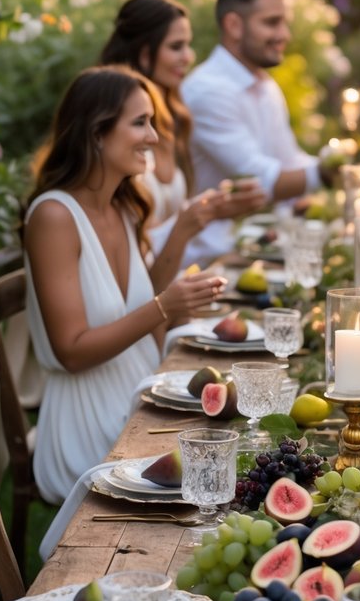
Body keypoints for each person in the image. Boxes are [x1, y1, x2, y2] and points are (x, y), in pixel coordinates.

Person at [23, 66, 226, 504]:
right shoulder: (54, 217)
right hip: (85, 420)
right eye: (140, 122)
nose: (154, 137)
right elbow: (72, 351)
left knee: (237, 443)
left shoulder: (124, 208)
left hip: (140, 392)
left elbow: (137, 306)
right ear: (96, 133)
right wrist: (164, 308)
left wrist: (182, 236)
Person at [100, 0, 267, 261]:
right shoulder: (116, 130)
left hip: (178, 276)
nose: (188, 57)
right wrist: (201, 215)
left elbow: (176, 220)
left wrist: (219, 205)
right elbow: (126, 246)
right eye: (176, 47)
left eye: (188, 45)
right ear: (144, 54)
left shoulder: (174, 118)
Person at [182, 0, 330, 236]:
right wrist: (328, 173)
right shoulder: (207, 91)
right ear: (234, 25)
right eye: (272, 22)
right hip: (210, 259)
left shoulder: (264, 85)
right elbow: (260, 180)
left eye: (285, 23)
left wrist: (345, 161)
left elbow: (289, 160)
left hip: (260, 244)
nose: (285, 35)